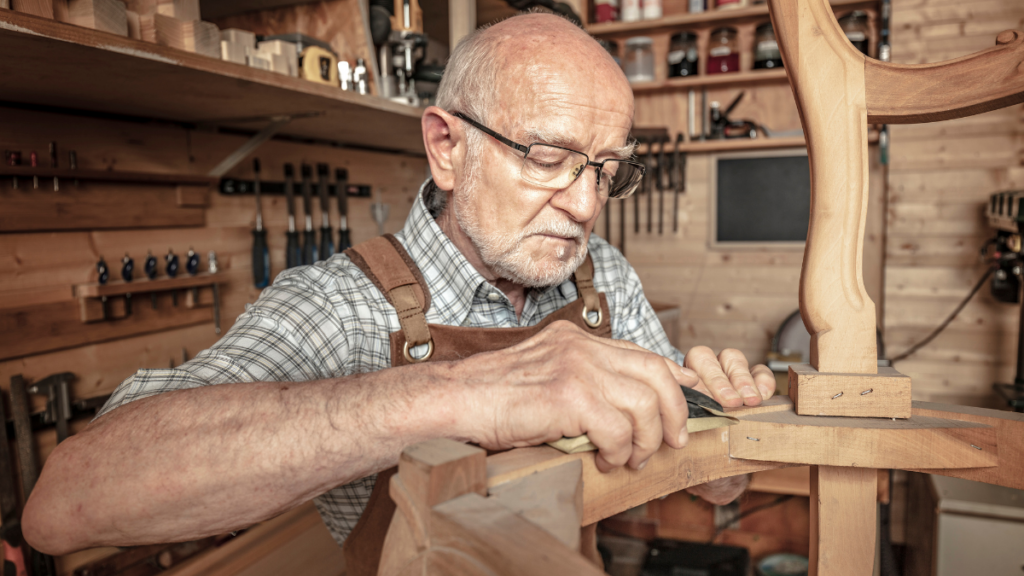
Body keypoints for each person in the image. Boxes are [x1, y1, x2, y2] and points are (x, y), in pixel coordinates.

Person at [22, 12, 776, 559]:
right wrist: (465, 392)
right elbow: (67, 503)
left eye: (606, 170)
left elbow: (687, 469)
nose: (585, 206)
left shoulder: (603, 275)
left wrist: (715, 458)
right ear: (446, 148)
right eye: (547, 158)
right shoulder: (341, 305)